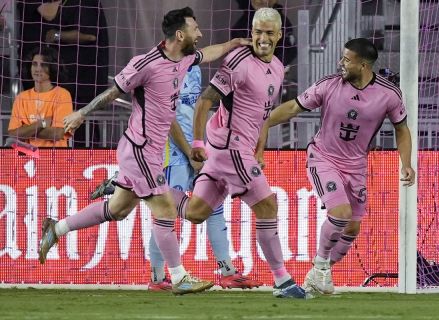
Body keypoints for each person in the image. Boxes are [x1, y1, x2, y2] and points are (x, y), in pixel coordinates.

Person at [38, 7, 250, 295]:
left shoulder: (186, 57)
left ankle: (56, 228)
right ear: (180, 34)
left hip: (148, 153)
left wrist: (233, 44)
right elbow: (113, 92)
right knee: (164, 210)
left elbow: (209, 52)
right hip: (139, 151)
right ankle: (178, 277)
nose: (199, 34)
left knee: (118, 210)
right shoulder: (145, 64)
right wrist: (81, 113)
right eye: (195, 29)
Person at [256, 38, 416, 296]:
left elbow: (402, 129)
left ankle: (321, 273)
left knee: (352, 227)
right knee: (340, 213)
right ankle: (319, 268)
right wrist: (260, 124)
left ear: (363, 65)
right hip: (323, 157)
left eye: (347, 60)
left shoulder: (389, 94)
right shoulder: (329, 85)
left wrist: (406, 163)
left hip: (357, 165)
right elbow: (292, 108)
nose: (341, 63)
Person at [168, 7, 306, 299]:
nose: (263, 38)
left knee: (195, 213)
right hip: (230, 148)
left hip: (237, 150)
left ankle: (148, 188)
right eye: (258, 32)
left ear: (280, 35)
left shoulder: (279, 68)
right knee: (267, 206)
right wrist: (196, 143)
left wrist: (260, 149)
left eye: (269, 33)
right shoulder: (238, 62)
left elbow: (264, 115)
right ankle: (282, 281)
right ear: (251, 32)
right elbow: (206, 101)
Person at [92, 66, 263, 291]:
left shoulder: (194, 68)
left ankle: (228, 272)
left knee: (214, 208)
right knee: (166, 214)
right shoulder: (163, 70)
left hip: (199, 150)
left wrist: (201, 146)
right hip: (174, 154)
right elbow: (169, 120)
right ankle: (157, 276)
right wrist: (189, 153)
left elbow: (191, 111)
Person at [38, 0, 110, 146]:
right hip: (71, 82)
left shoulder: (85, 3)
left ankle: (83, 163)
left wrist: (57, 35)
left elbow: (89, 35)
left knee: (81, 131)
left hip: (83, 82)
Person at [8, 46, 72, 147]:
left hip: (55, 158)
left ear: (52, 67)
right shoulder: (22, 97)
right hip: (28, 157)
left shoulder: (63, 94)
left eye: (43, 65)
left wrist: (26, 129)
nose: (38, 69)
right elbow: (13, 134)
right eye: (34, 64)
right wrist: (41, 124)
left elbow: (57, 133)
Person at [231, 0, 296, 67]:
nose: (264, 1)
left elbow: (290, 49)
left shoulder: (283, 22)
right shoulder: (240, 28)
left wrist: (275, 67)